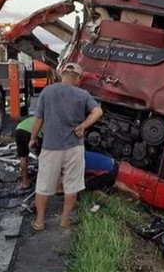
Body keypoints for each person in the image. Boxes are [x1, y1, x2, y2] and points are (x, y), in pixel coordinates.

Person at [29, 62, 103, 231]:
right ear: (77, 78)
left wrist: (32, 139)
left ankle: (40, 222)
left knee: (43, 186)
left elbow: (38, 119)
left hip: (50, 147)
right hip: (73, 147)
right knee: (71, 186)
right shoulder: (82, 94)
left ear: (62, 74)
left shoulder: (47, 91)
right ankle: (64, 220)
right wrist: (83, 125)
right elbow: (98, 112)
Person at [15, 116, 43, 189]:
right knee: (43, 157)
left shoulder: (35, 118)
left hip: (18, 130)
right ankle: (42, 183)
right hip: (31, 133)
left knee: (23, 156)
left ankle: (25, 182)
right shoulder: (47, 121)